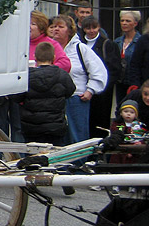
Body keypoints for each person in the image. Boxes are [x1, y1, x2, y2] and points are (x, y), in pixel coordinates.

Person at [49, 14, 108, 145]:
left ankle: (78, 164)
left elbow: (98, 71)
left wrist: (90, 90)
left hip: (76, 99)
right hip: (52, 100)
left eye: (60, 26)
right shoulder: (47, 49)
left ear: (70, 30)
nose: (56, 29)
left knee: (77, 137)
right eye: (53, 26)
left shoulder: (80, 49)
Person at [14, 41, 75, 145]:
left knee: (33, 155)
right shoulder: (62, 75)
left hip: (32, 127)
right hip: (55, 125)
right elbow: (70, 91)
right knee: (55, 155)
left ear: (35, 57)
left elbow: (17, 97)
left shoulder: (28, 77)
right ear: (54, 57)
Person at [81, 15, 122, 138]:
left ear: (99, 27)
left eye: (94, 27)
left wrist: (103, 86)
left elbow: (115, 69)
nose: (91, 31)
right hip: (82, 89)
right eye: (88, 28)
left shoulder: (108, 44)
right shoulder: (79, 44)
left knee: (100, 122)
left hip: (102, 93)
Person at [103, 79, 149, 151]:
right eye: (145, 94)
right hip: (128, 130)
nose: (148, 98)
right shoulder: (134, 95)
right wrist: (124, 125)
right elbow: (119, 110)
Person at [115, 9, 142, 104]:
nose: (124, 23)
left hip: (134, 82)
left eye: (128, 21)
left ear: (135, 23)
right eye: (122, 21)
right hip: (120, 81)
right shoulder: (117, 42)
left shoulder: (141, 41)